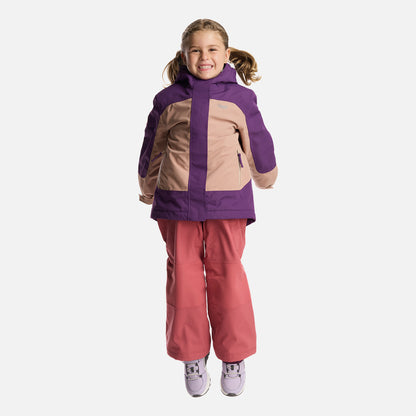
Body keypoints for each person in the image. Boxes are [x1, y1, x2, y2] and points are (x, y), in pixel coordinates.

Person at [138, 18, 278, 397]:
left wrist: (266, 176)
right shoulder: (167, 100)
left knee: (227, 274)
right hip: (176, 200)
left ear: (226, 54)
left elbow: (257, 140)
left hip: (227, 200)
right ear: (183, 55)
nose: (204, 57)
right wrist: (147, 189)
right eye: (195, 50)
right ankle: (192, 355)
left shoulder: (240, 99)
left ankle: (233, 355)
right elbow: (152, 148)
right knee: (183, 276)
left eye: (212, 49)